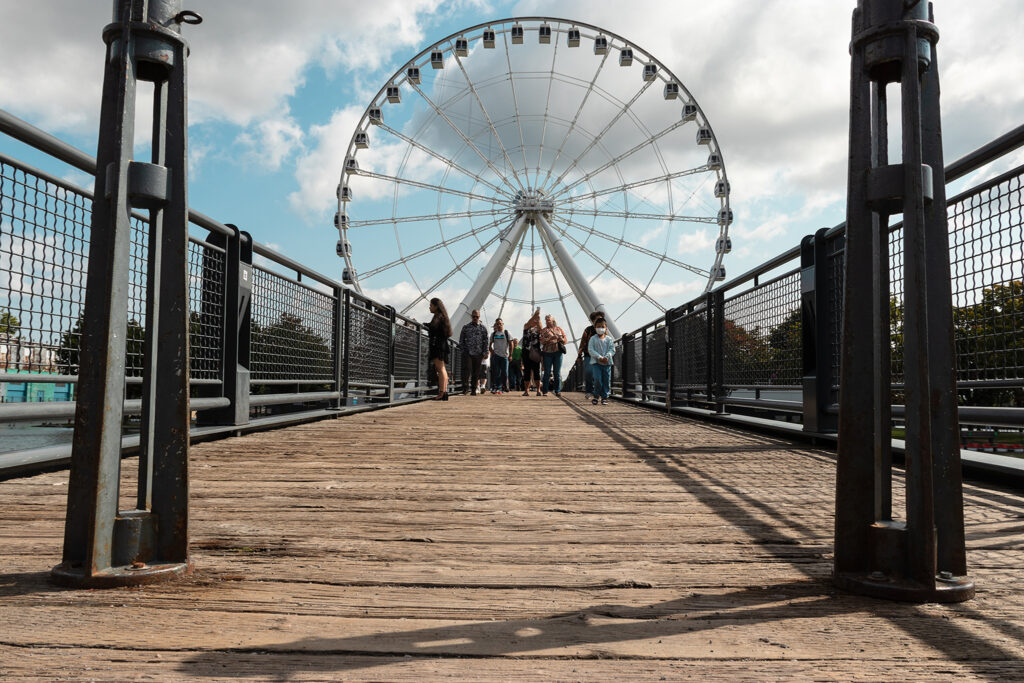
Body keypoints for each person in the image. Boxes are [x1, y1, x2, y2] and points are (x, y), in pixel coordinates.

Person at [427, 298, 452, 401]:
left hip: (438, 345)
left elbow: (433, 328)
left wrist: (426, 326)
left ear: (436, 306)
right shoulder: (443, 317)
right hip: (442, 345)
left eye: (431, 305)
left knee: (440, 369)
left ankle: (441, 393)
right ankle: (444, 392)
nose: (429, 307)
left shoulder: (438, 317)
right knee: (442, 369)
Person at [459, 309, 489, 395]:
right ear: (471, 316)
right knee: (466, 370)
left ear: (479, 317)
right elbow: (461, 340)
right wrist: (463, 350)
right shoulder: (466, 327)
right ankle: (465, 389)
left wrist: (485, 352)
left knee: (476, 372)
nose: (475, 318)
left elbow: (486, 340)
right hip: (468, 352)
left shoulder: (483, 328)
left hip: (479, 353)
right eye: (474, 316)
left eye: (477, 317)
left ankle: (473, 390)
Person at [539, 314, 568, 397]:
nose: (547, 321)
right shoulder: (543, 330)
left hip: (558, 352)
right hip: (547, 352)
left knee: (557, 373)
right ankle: (545, 390)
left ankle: (557, 390)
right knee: (547, 372)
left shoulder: (559, 329)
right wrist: (549, 339)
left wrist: (561, 339)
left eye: (549, 319)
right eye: (546, 319)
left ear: (553, 320)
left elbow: (565, 340)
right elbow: (541, 341)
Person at [588, 317, 615, 405]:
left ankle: (604, 397)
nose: (600, 328)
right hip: (596, 363)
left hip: (607, 363)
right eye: (598, 326)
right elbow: (590, 349)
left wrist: (607, 357)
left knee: (606, 380)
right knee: (597, 380)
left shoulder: (609, 339)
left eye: (602, 326)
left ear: (606, 327)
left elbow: (612, 349)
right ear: (595, 328)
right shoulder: (593, 339)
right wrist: (599, 357)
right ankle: (596, 396)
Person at [578, 311, 601, 399]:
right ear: (593, 320)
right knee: (589, 373)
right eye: (597, 319)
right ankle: (589, 391)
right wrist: (579, 355)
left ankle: (597, 391)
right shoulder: (588, 330)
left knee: (598, 374)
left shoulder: (603, 329)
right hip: (588, 354)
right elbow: (583, 342)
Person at [521, 309, 543, 396]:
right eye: (533, 319)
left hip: (536, 352)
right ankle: (526, 390)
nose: (534, 321)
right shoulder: (526, 327)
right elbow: (528, 323)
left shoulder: (538, 330)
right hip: (526, 352)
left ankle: (538, 390)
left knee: (536, 371)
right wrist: (535, 314)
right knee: (527, 372)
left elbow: (541, 328)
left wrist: (538, 318)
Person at [489, 319, 510, 395]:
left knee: (505, 372)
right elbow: (490, 345)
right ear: (496, 325)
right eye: (497, 324)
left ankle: (504, 386)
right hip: (496, 356)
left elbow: (511, 343)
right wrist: (493, 352)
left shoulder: (506, 333)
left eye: (500, 324)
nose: (499, 325)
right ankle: (498, 387)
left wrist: (510, 354)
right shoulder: (494, 334)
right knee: (496, 372)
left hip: (504, 356)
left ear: (503, 324)